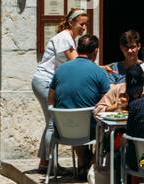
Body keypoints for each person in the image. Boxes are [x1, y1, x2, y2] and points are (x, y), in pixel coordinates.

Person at [31, 9, 87, 173]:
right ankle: (47, 164)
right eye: (81, 24)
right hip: (45, 82)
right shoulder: (64, 38)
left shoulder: (69, 38)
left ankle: (44, 162)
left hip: (47, 82)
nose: (84, 28)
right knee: (52, 122)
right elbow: (77, 62)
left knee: (51, 121)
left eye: (85, 25)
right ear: (71, 23)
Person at [48, 35, 113, 175]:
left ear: (77, 49)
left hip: (63, 130)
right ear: (95, 51)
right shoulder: (99, 72)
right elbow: (106, 103)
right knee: (106, 127)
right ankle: (92, 162)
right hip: (88, 131)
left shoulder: (60, 70)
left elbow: (50, 100)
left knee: (75, 115)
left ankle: (83, 161)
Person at [109, 31, 144, 99]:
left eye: (132, 47)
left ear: (139, 46)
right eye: (126, 47)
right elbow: (110, 92)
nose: (129, 51)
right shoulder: (114, 68)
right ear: (121, 48)